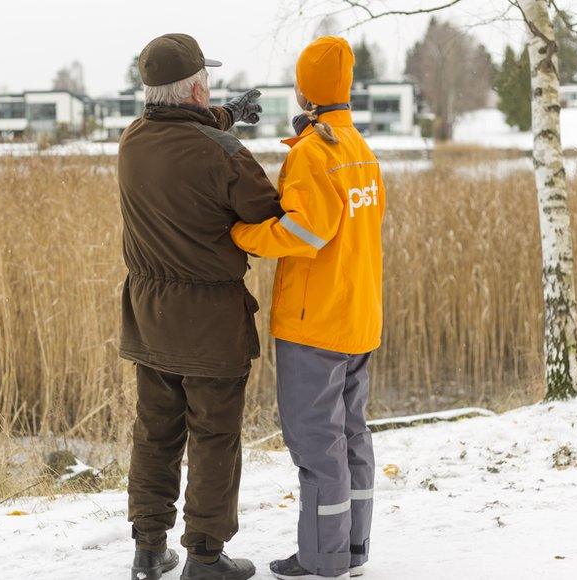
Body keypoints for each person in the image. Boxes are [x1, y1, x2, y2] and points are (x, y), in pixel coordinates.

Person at [118, 33, 281, 580]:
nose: (210, 88)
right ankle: (205, 557)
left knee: (155, 431)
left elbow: (180, 136)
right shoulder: (226, 156)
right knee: (213, 436)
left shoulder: (132, 140)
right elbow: (267, 211)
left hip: (149, 315)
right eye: (206, 82)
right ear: (193, 90)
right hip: (210, 321)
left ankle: (148, 549)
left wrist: (225, 116)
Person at [229, 36, 386, 580]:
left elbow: (304, 232)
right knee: (352, 436)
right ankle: (353, 549)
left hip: (314, 323)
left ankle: (324, 559)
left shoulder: (314, 154)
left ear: (304, 89)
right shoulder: (359, 149)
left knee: (317, 442)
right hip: (359, 316)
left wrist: (243, 234)